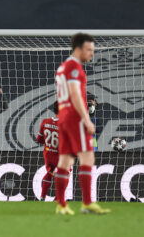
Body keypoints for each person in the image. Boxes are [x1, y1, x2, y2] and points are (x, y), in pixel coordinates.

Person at [54, 33, 110, 215]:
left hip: (63, 116)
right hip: (74, 117)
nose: (92, 54)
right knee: (87, 157)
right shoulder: (74, 66)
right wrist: (86, 119)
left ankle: (61, 205)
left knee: (65, 161)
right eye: (89, 50)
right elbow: (75, 94)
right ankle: (86, 203)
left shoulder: (63, 67)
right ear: (78, 48)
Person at [36, 101, 59, 201]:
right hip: (60, 155)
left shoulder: (45, 122)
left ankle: (42, 196)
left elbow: (39, 139)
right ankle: (58, 198)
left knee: (50, 173)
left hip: (48, 153)